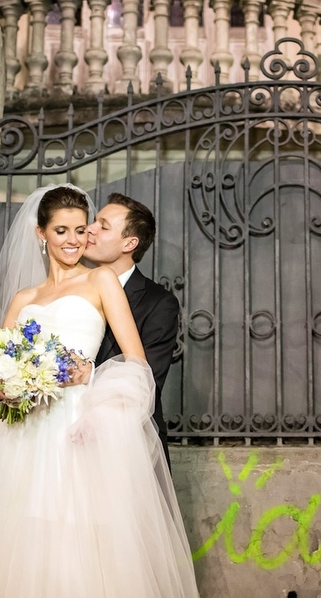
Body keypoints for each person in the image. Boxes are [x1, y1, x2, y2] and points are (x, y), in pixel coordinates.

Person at [0, 184, 199, 598]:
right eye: (62, 231)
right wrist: (24, 381)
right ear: (41, 234)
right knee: (22, 539)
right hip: (22, 435)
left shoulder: (102, 280)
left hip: (77, 427)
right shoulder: (22, 298)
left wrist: (84, 377)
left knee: (82, 541)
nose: (74, 239)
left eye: (82, 230)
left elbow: (138, 366)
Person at [84, 193, 179, 467]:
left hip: (126, 451)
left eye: (103, 226)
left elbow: (145, 382)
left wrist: (85, 375)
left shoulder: (158, 303)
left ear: (130, 243)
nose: (90, 229)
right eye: (93, 222)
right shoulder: (71, 293)